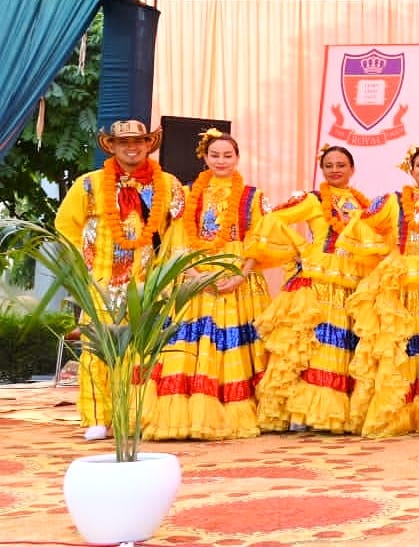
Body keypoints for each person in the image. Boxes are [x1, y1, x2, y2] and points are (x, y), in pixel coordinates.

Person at [55, 120, 185, 441]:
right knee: (97, 349)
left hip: (147, 283)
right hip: (102, 282)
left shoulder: (168, 184)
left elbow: (180, 231)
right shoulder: (89, 184)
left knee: (141, 351)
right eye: (123, 142)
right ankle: (97, 416)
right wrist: (83, 268)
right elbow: (66, 226)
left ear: (149, 144)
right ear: (111, 146)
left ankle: (134, 415)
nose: (132, 147)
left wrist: (168, 273)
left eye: (139, 141)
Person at [145, 129, 271, 440]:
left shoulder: (253, 196)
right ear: (204, 157)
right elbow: (176, 240)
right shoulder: (187, 194)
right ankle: (191, 414)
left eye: (228, 155)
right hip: (196, 280)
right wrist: (194, 276)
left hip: (239, 280)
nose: (221, 160)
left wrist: (240, 275)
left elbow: (260, 241)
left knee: (237, 345)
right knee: (194, 344)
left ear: (237, 157)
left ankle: (240, 410)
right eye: (215, 155)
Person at [341, 144, 419, 438]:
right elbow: (364, 223)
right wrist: (381, 251)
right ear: (411, 169)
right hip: (403, 285)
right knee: (403, 347)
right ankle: (400, 412)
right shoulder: (393, 201)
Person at [247, 145, 373, 434]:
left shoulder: (362, 204)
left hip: (350, 281)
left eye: (341, 164)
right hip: (318, 281)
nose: (335, 170)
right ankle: (304, 413)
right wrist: (300, 248)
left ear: (352, 169)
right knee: (316, 344)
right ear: (322, 169)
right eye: (329, 165)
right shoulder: (313, 200)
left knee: (342, 344)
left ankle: (335, 413)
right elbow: (274, 219)